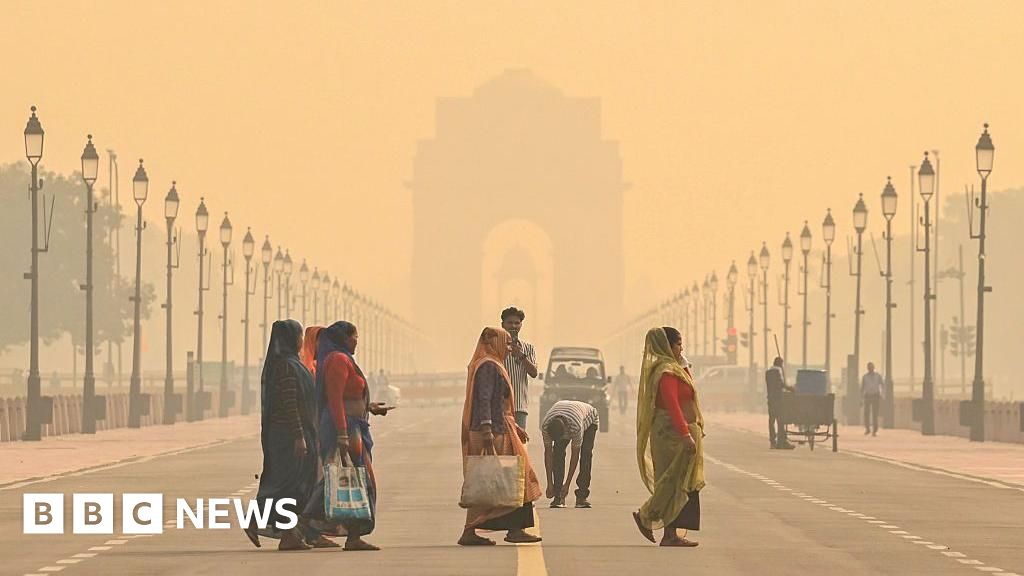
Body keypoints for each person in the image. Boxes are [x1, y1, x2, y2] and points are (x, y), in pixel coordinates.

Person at [305, 321, 394, 551]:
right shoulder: (337, 360)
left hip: (353, 425)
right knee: (352, 480)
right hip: (344, 429)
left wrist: (370, 407)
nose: (357, 341)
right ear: (344, 338)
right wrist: (343, 434)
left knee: (348, 480)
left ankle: (349, 534)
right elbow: (334, 400)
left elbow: (348, 396)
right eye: (354, 337)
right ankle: (307, 522)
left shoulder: (342, 358)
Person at [459, 326, 542, 546]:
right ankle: (510, 529)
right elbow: (484, 399)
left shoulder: (490, 364)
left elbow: (498, 403)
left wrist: (514, 425)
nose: (508, 348)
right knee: (503, 478)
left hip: (500, 427)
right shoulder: (488, 366)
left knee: (495, 479)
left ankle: (506, 528)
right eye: (505, 343)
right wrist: (487, 428)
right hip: (492, 431)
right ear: (494, 343)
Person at [244, 320, 320, 551]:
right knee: (290, 486)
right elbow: (290, 405)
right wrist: (299, 436)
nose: (301, 340)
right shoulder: (286, 367)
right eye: (298, 335)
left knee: (292, 484)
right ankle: (286, 533)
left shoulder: (293, 364)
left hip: (296, 433)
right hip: (288, 436)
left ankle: (273, 526)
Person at [632, 327, 705, 547]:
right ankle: (646, 516)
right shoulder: (665, 372)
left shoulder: (675, 369)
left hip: (681, 433)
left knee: (680, 483)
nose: (681, 348)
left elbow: (689, 391)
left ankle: (670, 534)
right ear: (667, 345)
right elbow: (673, 405)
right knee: (671, 480)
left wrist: (684, 363)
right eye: (678, 344)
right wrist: (685, 435)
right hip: (671, 435)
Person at [542, 400, 599, 509]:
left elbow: (574, 457)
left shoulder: (576, 426)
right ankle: (557, 496)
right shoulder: (546, 426)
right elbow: (548, 454)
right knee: (557, 453)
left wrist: (567, 484)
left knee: (586, 455)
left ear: (567, 430)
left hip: (589, 419)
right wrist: (550, 483)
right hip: (565, 413)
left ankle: (582, 496)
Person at [500, 307, 538, 431]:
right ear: (503, 325)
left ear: (521, 325)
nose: (513, 326)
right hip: (499, 406)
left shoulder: (528, 348)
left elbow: (533, 373)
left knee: (519, 446)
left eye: (517, 323)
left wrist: (521, 355)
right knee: (502, 445)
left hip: (519, 406)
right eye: (510, 322)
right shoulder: (496, 347)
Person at [765, 357, 795, 449]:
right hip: (778, 400)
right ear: (780, 364)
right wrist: (791, 388)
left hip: (770, 399)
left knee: (771, 420)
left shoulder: (768, 372)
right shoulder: (777, 372)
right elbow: (780, 384)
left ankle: (773, 442)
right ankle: (781, 441)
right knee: (780, 420)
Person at [861, 361, 884, 436]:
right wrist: (861, 397)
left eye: (871, 367)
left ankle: (874, 430)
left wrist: (882, 394)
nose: (870, 369)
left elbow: (882, 385)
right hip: (867, 396)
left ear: (873, 368)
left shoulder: (878, 376)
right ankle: (867, 428)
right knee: (866, 413)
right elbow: (862, 387)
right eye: (869, 367)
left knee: (875, 414)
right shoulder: (865, 377)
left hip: (875, 395)